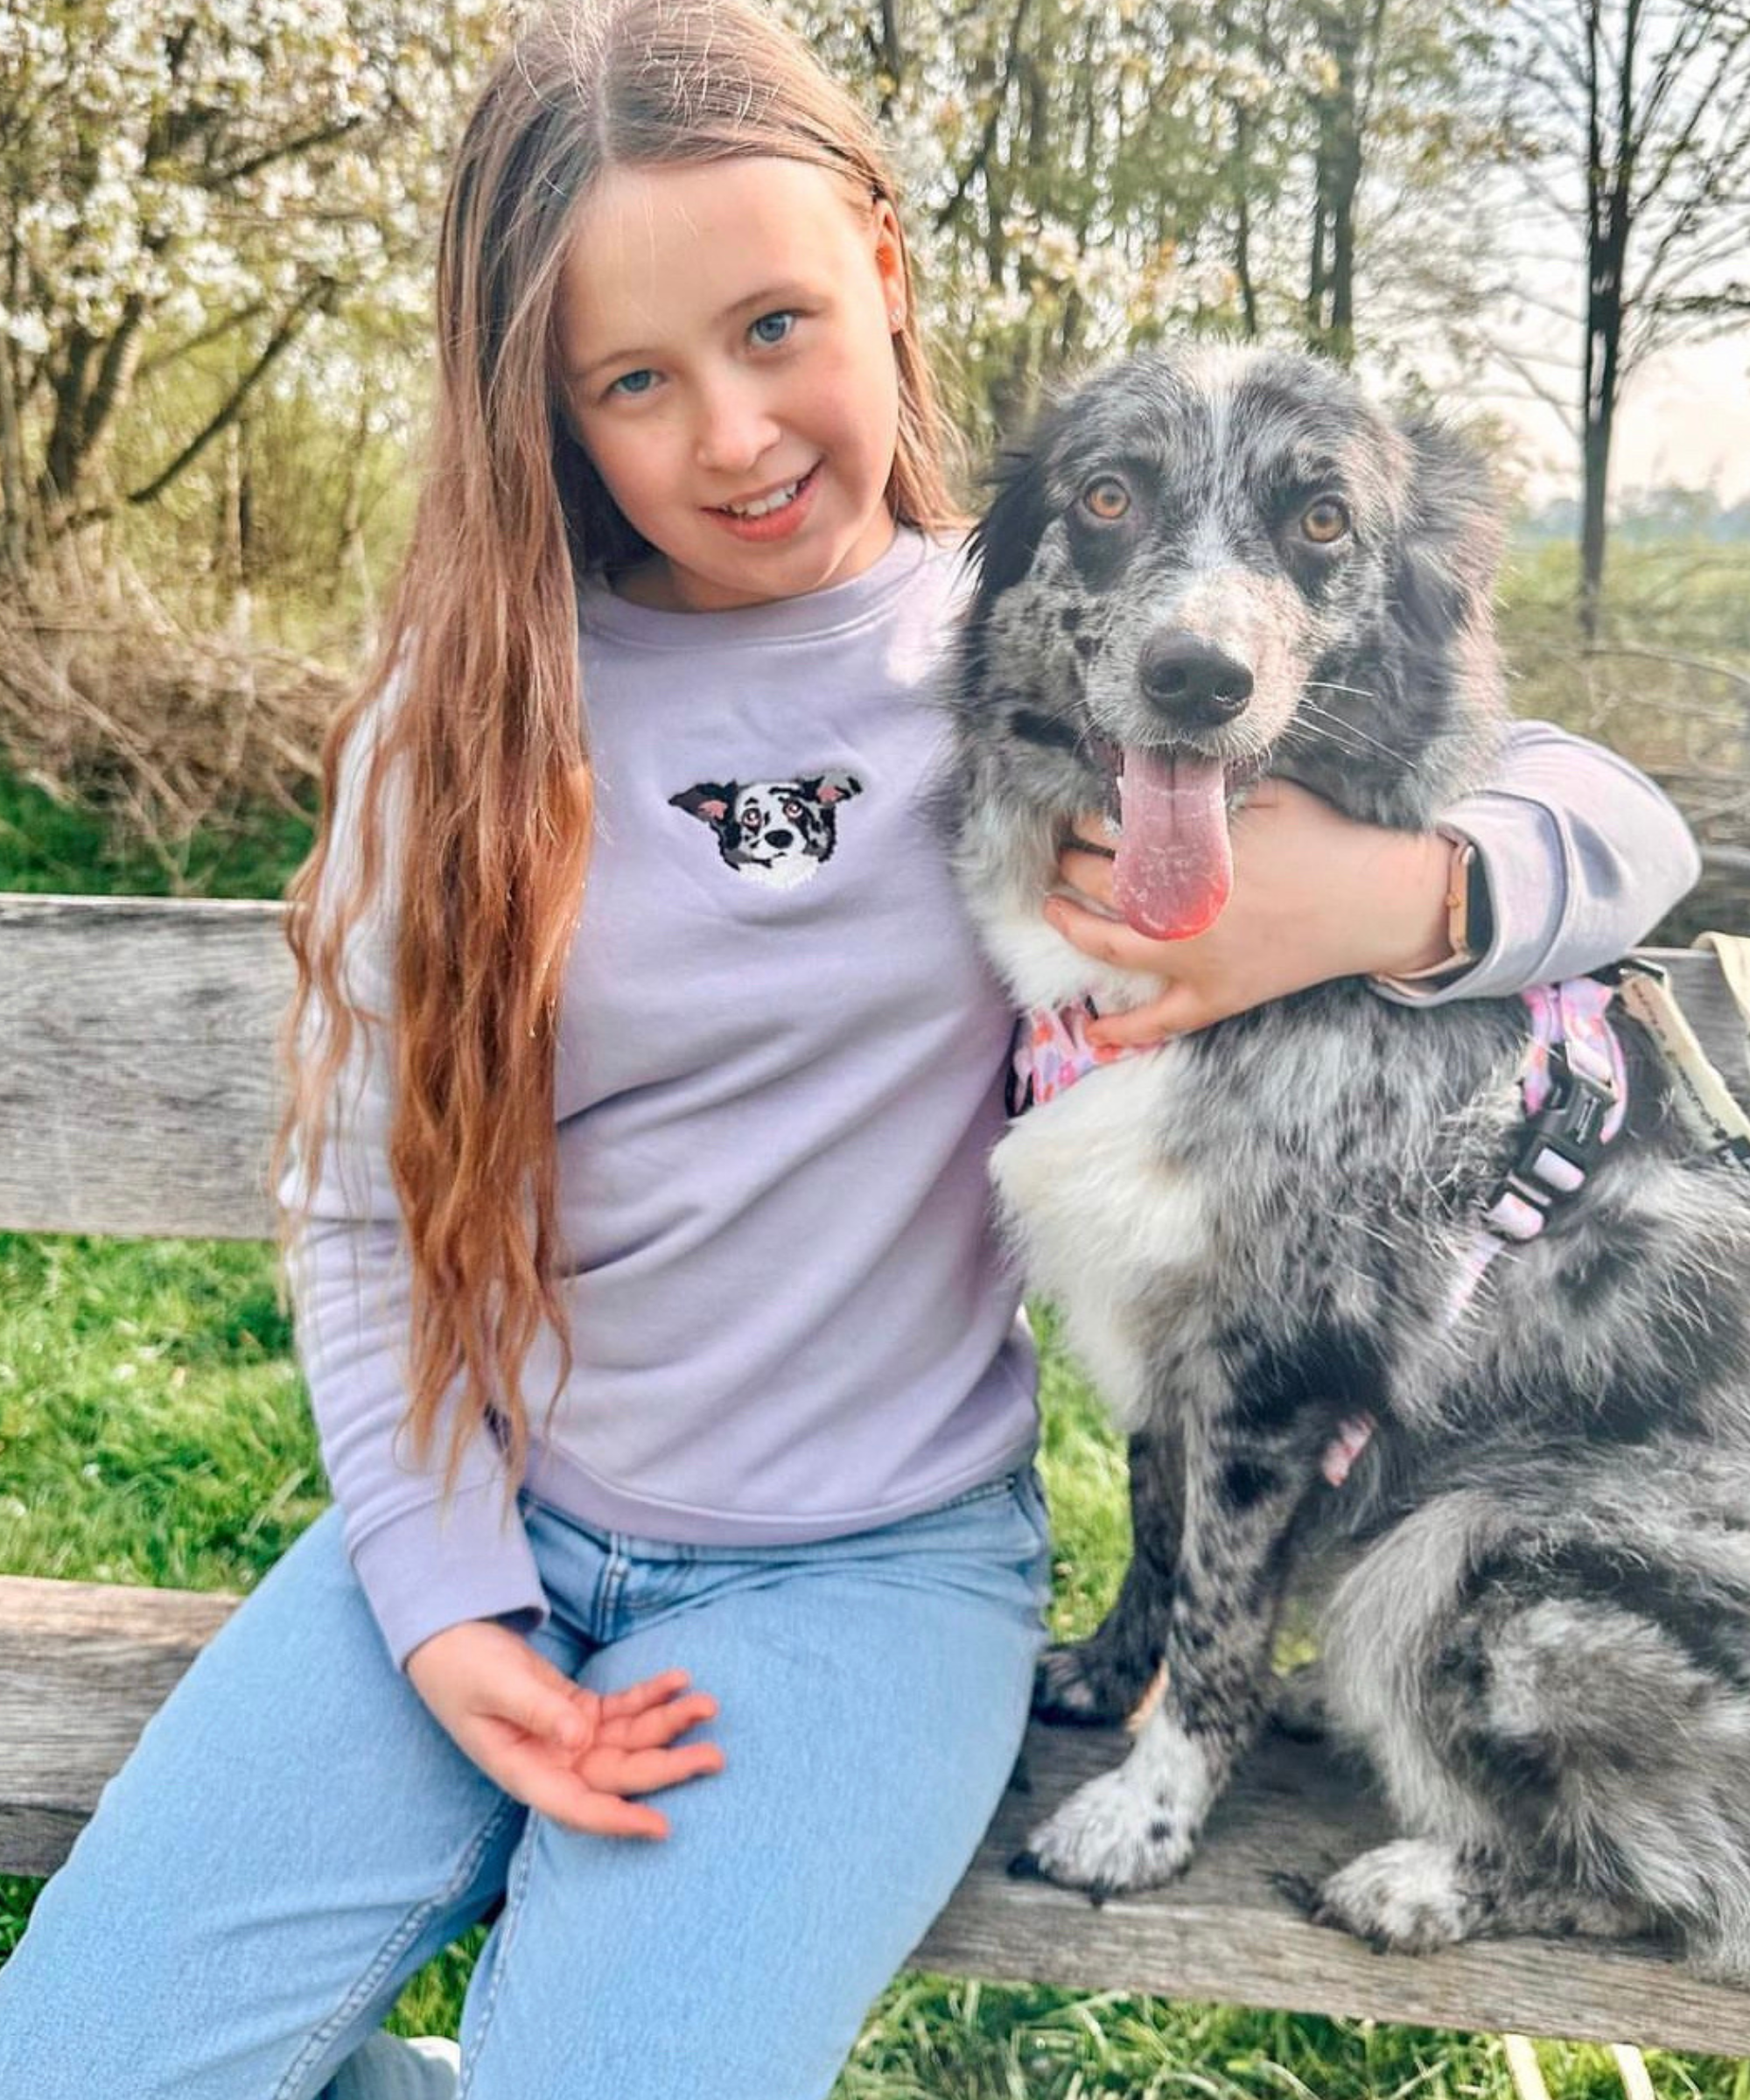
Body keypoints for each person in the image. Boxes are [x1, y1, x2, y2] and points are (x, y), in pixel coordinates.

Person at [0, 2, 1701, 2096]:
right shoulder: (462, 716)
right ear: (547, 411)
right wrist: (443, 1604)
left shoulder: (1040, 655)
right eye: (636, 380)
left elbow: (1625, 830)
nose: (731, 434)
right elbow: (359, 1208)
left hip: (861, 1581)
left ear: (882, 276)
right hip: (473, 1521)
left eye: (776, 324)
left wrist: (1402, 900)